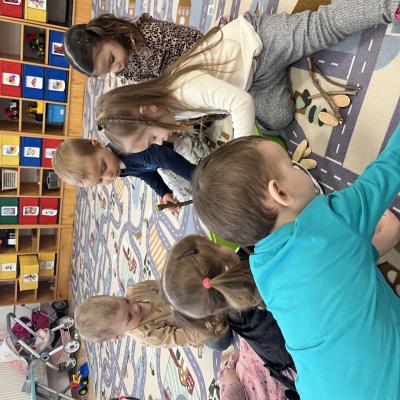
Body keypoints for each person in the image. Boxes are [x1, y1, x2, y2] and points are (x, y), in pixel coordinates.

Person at [190, 123, 400, 399]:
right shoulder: (331, 218)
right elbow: (390, 166)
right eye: (291, 164)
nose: (297, 166)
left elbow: (332, 277)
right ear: (280, 192)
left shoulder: (261, 268)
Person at [95, 0, 400, 140]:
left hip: (257, 42)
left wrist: (239, 149)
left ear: (148, 110)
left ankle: (388, 6)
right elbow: (230, 100)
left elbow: (239, 103)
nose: (160, 141)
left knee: (321, 27)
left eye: (151, 137)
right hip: (253, 79)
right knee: (278, 118)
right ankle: (285, 63)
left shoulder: (181, 90)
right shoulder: (170, 104)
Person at [160, 235, 298, 395]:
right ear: (225, 260)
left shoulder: (227, 310)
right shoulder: (264, 271)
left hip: (288, 372)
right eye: (214, 245)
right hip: (301, 360)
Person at [52, 138, 195, 206]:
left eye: (103, 167)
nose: (108, 176)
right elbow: (144, 173)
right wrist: (164, 192)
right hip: (163, 158)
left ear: (99, 145)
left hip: (174, 138)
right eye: (100, 181)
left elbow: (163, 157)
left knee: (197, 172)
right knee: (184, 193)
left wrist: (195, 176)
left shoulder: (128, 148)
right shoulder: (117, 168)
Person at [64, 13, 203, 81]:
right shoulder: (123, 70)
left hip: (200, 53)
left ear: (109, 34)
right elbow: (150, 82)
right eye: (108, 70)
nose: (116, 68)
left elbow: (191, 42)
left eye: (111, 59)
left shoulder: (146, 32)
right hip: (181, 77)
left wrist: (192, 73)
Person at [74, 279, 210, 348]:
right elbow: (185, 336)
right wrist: (211, 326)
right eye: (129, 317)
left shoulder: (135, 290)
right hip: (196, 323)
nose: (135, 306)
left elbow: (164, 283)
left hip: (186, 296)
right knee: (217, 342)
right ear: (117, 336)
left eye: (126, 301)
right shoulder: (148, 335)